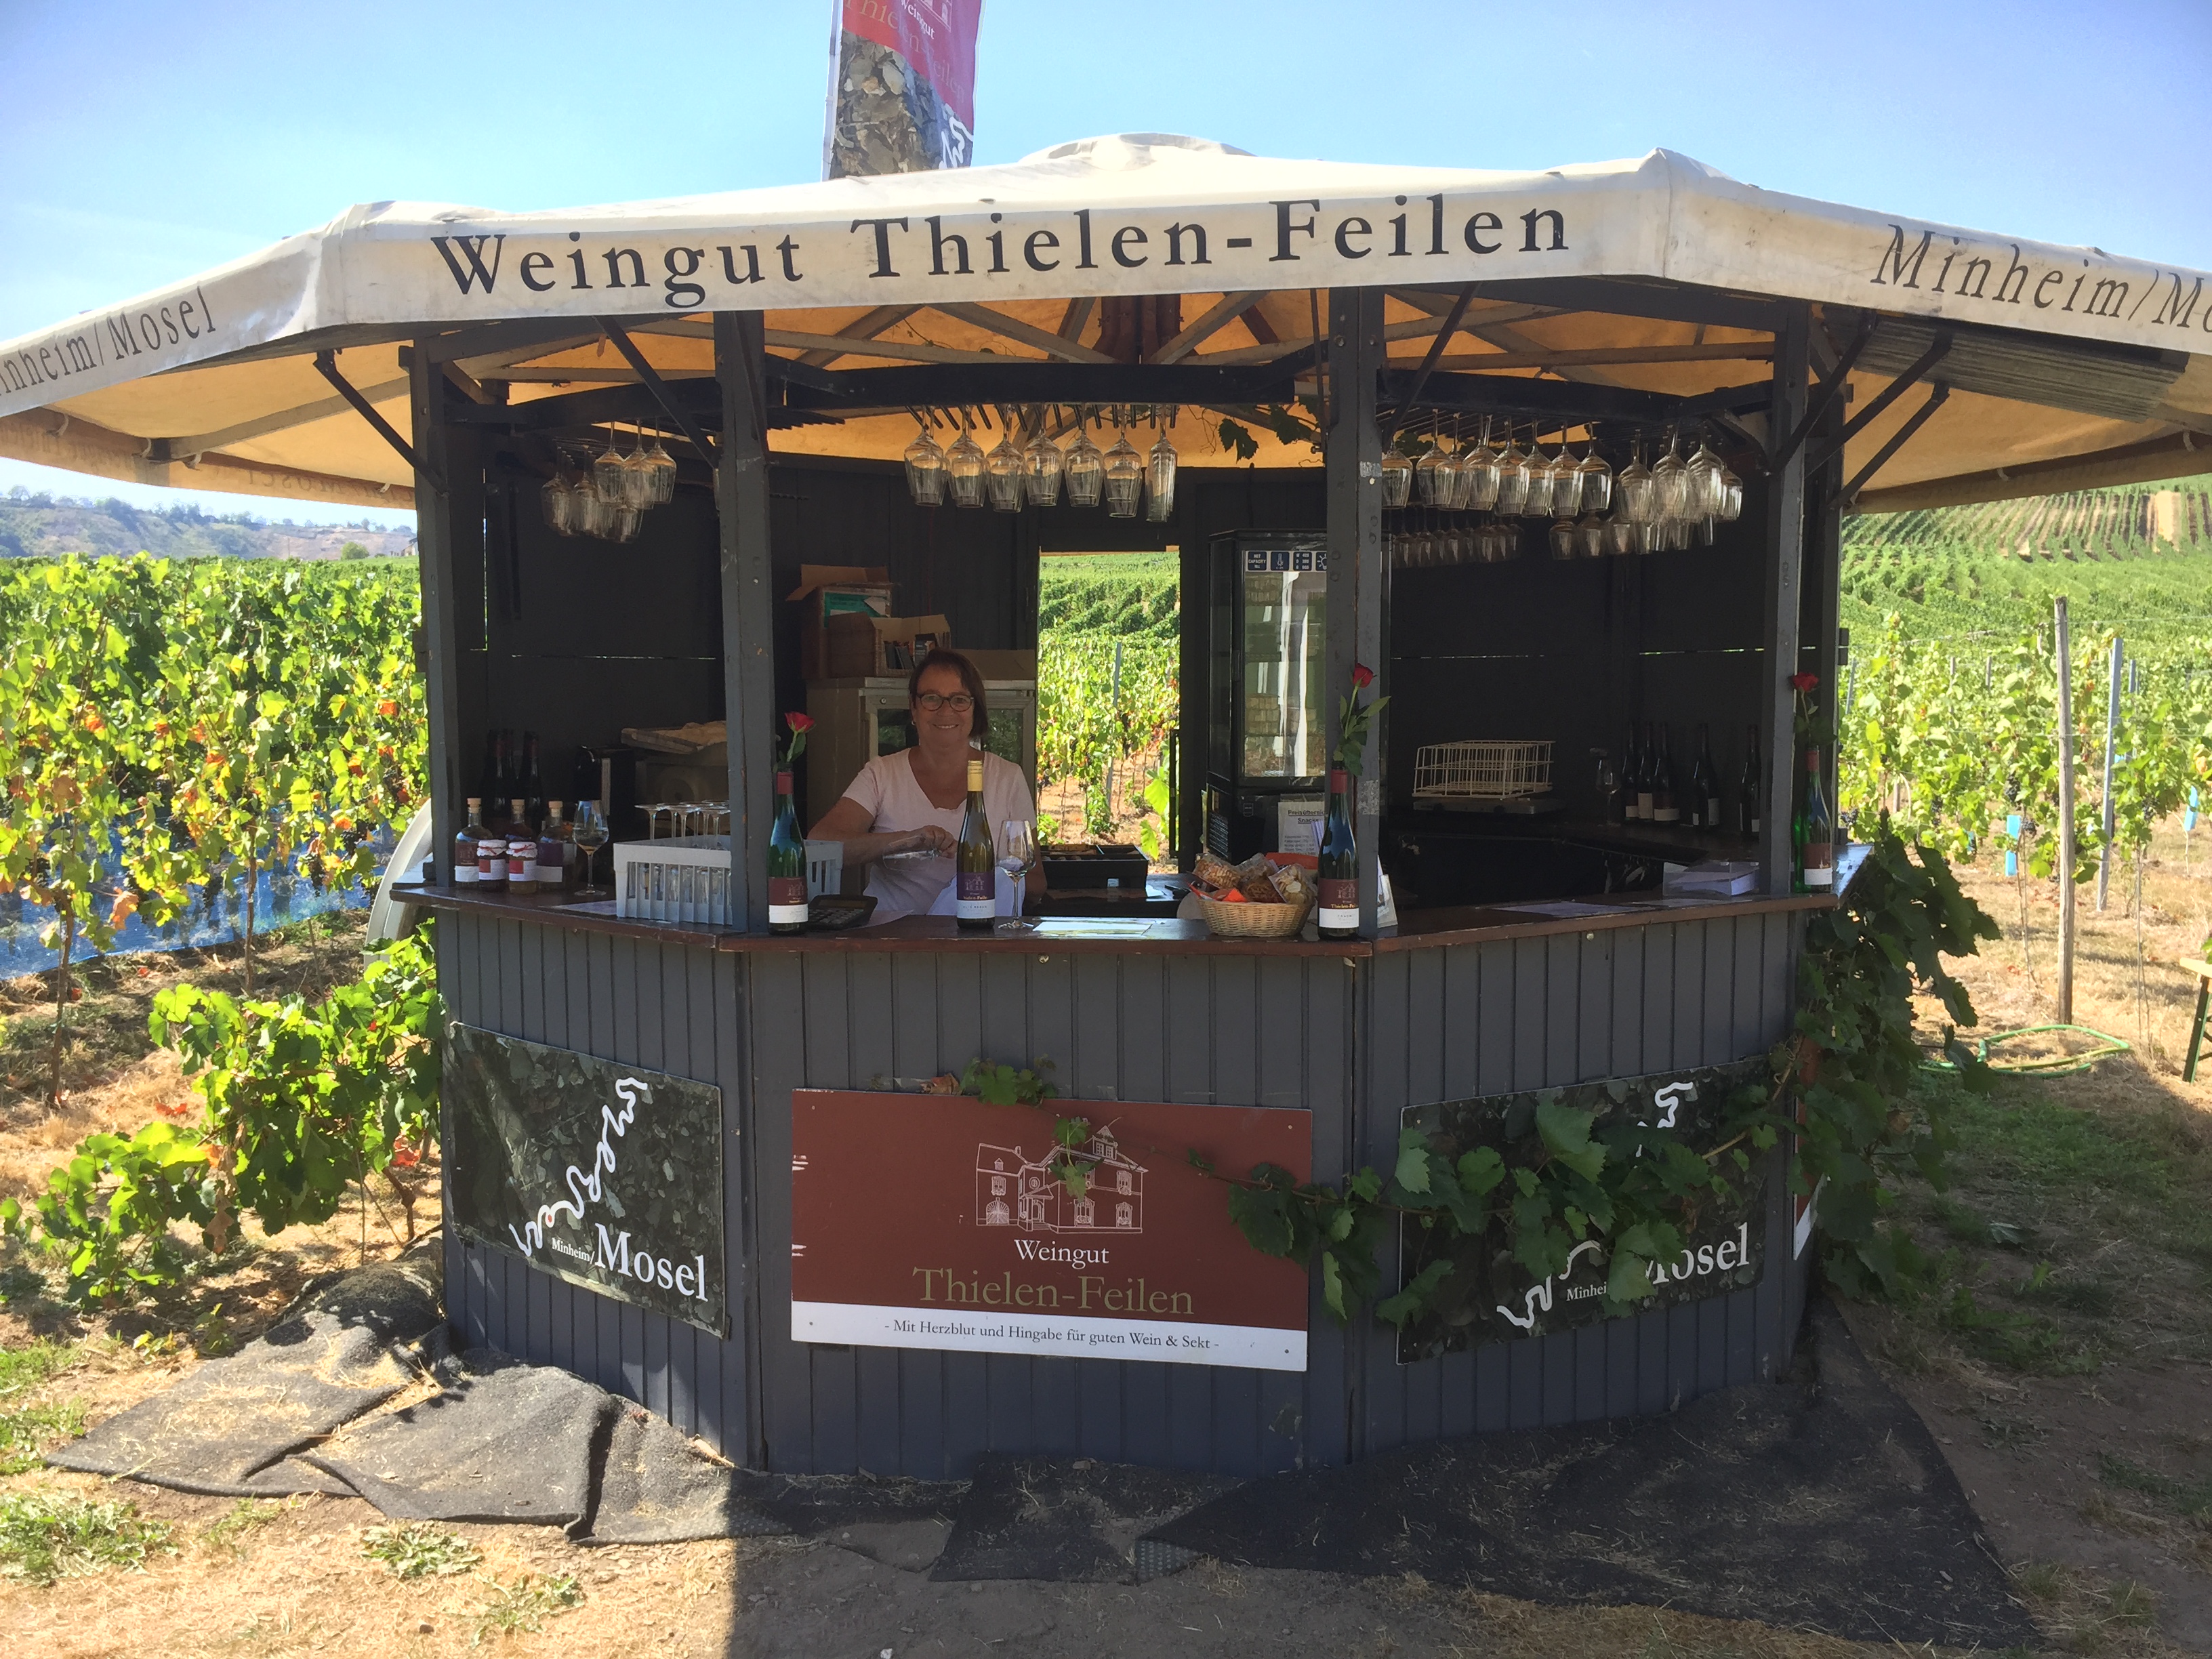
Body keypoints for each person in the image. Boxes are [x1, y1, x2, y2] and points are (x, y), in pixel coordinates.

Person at [808, 649, 1042, 922]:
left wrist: (978, 869)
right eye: (932, 698)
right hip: (893, 939)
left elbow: (1036, 883)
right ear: (913, 707)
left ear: (975, 709)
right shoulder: (882, 773)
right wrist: (903, 841)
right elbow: (820, 844)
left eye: (959, 700)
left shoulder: (1007, 777)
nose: (946, 710)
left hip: (978, 939)